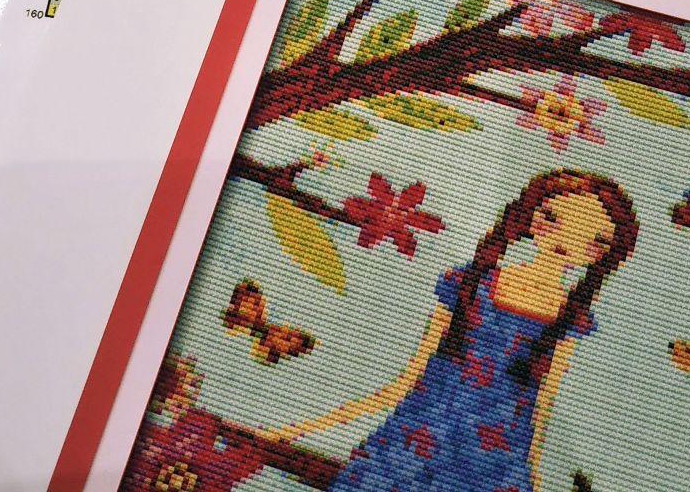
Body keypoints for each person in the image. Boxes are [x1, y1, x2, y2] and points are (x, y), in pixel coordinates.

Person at [270, 170, 640, 492]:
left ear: (603, 254)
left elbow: (541, 410)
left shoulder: (569, 320)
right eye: (553, 219)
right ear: (528, 217)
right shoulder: (469, 285)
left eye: (594, 239)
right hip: (418, 439)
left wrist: (536, 478)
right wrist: (302, 430)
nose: (567, 242)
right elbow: (407, 381)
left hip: (491, 462)